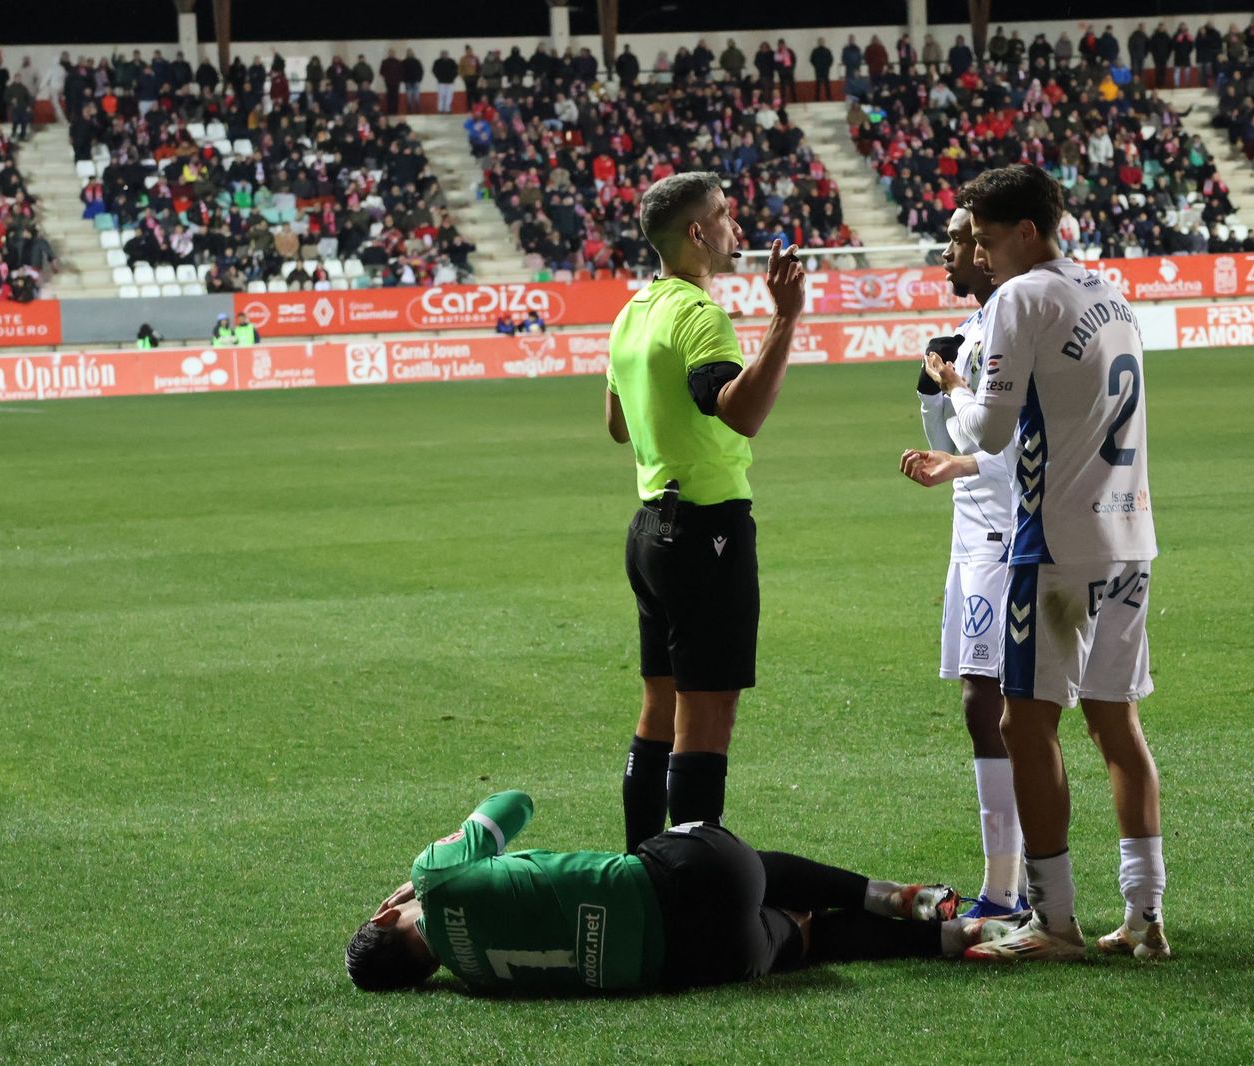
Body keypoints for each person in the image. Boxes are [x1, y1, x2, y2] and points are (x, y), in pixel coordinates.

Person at [914, 164, 1167, 962]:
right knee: (1116, 723)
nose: (981, 256)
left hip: (1055, 547)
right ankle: (1144, 916)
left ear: (1026, 231)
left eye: (988, 239)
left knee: (1024, 723)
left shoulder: (1023, 298)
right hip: (1130, 537)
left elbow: (987, 432)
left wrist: (953, 381)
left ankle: (1051, 920)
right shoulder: (1109, 292)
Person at [604, 172, 805, 852]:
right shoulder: (699, 315)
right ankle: (690, 884)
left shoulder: (633, 311)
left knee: (659, 707)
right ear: (696, 232)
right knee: (706, 713)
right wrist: (785, 319)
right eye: (722, 214)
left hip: (648, 532)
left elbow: (616, 424)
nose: (733, 225)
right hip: (704, 530)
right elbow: (741, 411)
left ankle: (639, 865)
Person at [344, 790, 1012, 994]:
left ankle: (953, 937)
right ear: (386, 910)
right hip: (691, 874)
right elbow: (512, 804)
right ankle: (881, 892)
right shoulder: (433, 878)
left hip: (703, 962)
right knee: (746, 867)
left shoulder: (476, 981)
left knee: (808, 937)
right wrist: (427, 870)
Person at [898, 207, 1026, 919]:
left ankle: (1008, 891)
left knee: (994, 707)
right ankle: (1020, 888)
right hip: (973, 537)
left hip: (1004, 538)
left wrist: (956, 451)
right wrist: (934, 394)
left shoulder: (1008, 326)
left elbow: (1006, 452)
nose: (946, 252)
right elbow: (962, 436)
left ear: (987, 247)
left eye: (956, 239)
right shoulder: (977, 330)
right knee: (993, 708)